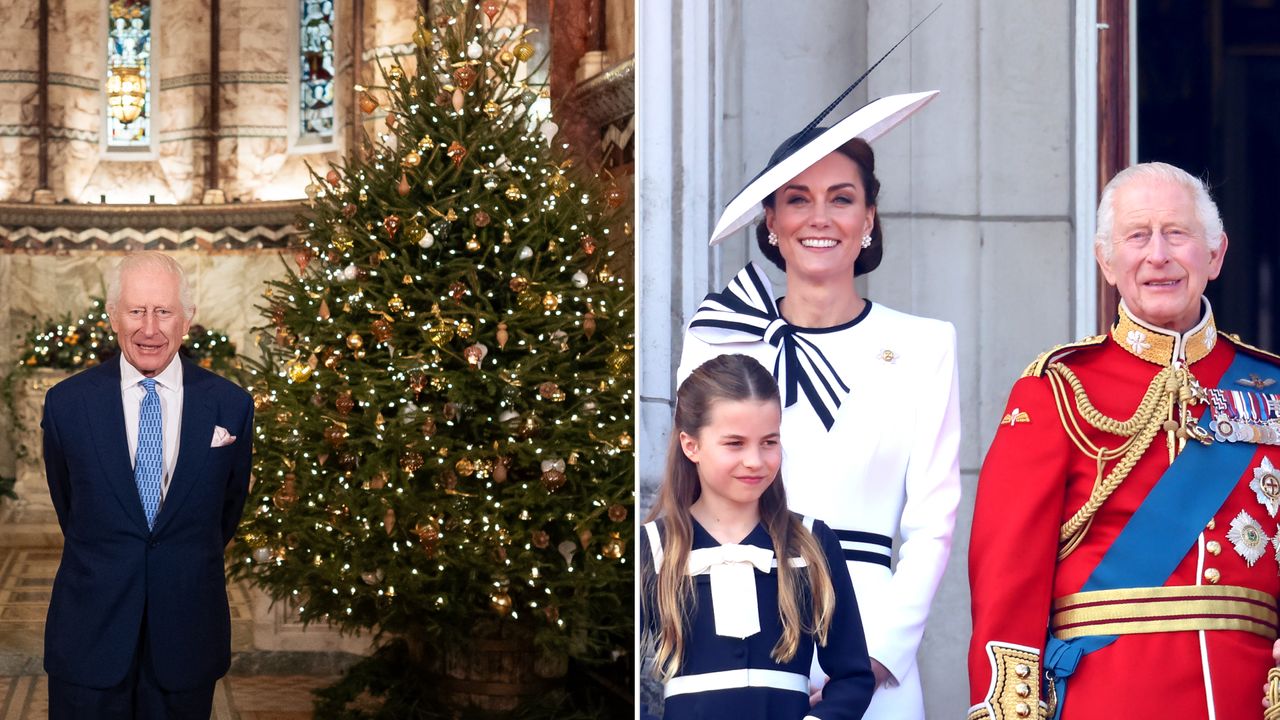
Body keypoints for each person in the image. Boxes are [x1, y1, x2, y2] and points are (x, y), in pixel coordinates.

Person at [677, 92, 961, 720]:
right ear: (771, 222)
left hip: (871, 642)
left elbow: (933, 519)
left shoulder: (924, 344)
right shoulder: (719, 335)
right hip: (739, 626)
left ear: (869, 219)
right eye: (797, 199)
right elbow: (691, 487)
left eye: (841, 198)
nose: (820, 217)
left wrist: (878, 656)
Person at [968, 162, 1280, 719]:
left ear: (1215, 254)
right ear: (1106, 261)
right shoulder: (1057, 389)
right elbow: (1007, 584)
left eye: (1176, 234)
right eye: (1137, 236)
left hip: (1250, 698)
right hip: (1107, 696)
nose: (1157, 255)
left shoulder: (1272, 385)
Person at [41, 251, 254, 719]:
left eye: (164, 311)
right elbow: (70, 504)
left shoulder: (230, 406)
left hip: (186, 634)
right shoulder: (67, 405)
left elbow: (227, 509)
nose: (149, 329)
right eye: (136, 310)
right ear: (113, 315)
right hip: (90, 636)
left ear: (188, 318)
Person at [641, 354, 875, 719]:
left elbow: (854, 676)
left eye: (769, 442)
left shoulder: (812, 543)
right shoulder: (653, 548)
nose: (755, 460)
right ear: (691, 446)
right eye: (734, 443)